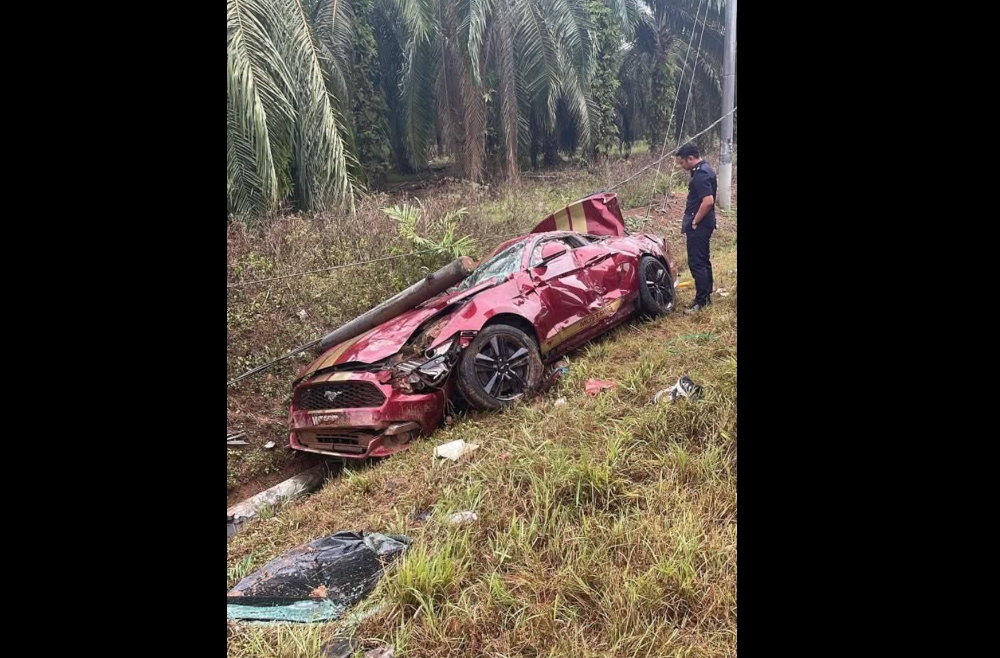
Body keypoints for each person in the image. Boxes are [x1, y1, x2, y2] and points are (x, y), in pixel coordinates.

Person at [676, 143, 717, 313]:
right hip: (705, 224)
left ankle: (701, 302)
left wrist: (694, 222)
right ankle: (705, 297)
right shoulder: (704, 168)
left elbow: (707, 201)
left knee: (697, 263)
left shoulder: (701, 174)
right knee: (703, 261)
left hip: (700, 225)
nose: (681, 166)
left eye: (682, 162)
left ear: (690, 158)